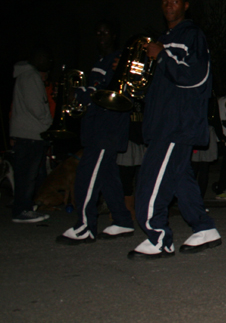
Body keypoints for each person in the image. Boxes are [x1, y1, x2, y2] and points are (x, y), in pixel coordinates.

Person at [128, 0, 221, 259]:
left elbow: (197, 77)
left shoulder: (192, 35)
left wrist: (163, 56)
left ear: (186, 5)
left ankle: (158, 236)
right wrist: (134, 73)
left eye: (175, 1)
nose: (169, 5)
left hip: (177, 122)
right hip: (162, 121)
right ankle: (204, 228)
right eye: (165, 1)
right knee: (179, 177)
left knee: (151, 178)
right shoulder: (163, 38)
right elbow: (158, 84)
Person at [57, 21, 136, 243]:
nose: (101, 36)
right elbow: (93, 92)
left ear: (114, 36)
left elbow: (117, 92)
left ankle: (85, 226)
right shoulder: (98, 63)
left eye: (106, 32)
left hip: (107, 128)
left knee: (86, 174)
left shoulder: (119, 60)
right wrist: (76, 94)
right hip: (96, 127)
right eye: (98, 32)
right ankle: (122, 220)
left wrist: (86, 93)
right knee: (108, 177)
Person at [10, 49, 53, 223]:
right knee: (27, 176)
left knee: (27, 174)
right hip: (30, 134)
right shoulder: (31, 76)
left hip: (27, 133)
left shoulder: (25, 76)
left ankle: (25, 206)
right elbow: (37, 108)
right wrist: (49, 124)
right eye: (44, 57)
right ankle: (22, 210)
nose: (48, 60)